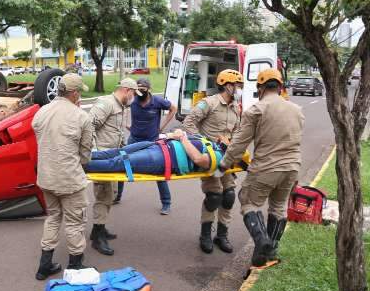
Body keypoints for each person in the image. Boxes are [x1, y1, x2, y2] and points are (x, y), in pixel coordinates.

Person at [219, 68, 304, 267]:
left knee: (247, 201)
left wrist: (224, 163)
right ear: (280, 86)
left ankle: (262, 241)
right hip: (292, 167)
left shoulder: (256, 110)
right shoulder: (297, 110)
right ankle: (269, 252)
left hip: (267, 167)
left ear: (261, 87)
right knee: (278, 207)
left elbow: (239, 143)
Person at [32, 73, 93, 279]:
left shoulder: (41, 112)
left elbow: (40, 138)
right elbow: (85, 155)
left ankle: (44, 266)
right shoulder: (81, 116)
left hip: (46, 177)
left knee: (53, 218)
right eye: (79, 93)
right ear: (75, 93)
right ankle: (75, 266)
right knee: (75, 222)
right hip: (69, 180)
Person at [183, 69, 243, 254]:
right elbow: (188, 123)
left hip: (227, 159)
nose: (240, 89)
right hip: (210, 158)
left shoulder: (236, 108)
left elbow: (237, 132)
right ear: (227, 86)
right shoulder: (208, 103)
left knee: (229, 196)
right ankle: (206, 235)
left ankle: (222, 235)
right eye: (238, 86)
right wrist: (204, 143)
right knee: (214, 196)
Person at [89, 78, 141, 256]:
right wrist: (95, 154)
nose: (134, 98)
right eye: (133, 94)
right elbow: (88, 126)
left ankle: (98, 229)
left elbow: (116, 132)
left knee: (110, 194)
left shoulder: (121, 106)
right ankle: (97, 238)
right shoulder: (106, 104)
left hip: (114, 157)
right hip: (103, 159)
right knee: (103, 195)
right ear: (127, 90)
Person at [115, 78, 177, 214]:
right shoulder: (133, 100)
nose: (139, 93)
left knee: (160, 171)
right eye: (138, 90)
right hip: (134, 139)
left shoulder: (157, 101)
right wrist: (127, 124)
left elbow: (173, 108)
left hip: (152, 141)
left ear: (149, 90)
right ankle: (117, 196)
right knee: (122, 164)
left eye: (143, 90)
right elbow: (121, 106)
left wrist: (162, 127)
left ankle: (166, 203)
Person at [85, 129, 234, 175]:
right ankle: (78, 157)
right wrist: (173, 135)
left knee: (119, 162)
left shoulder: (221, 156)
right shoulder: (210, 143)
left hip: (162, 158)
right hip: (157, 146)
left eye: (230, 139)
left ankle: (76, 166)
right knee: (117, 152)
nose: (227, 137)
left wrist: (182, 138)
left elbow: (199, 159)